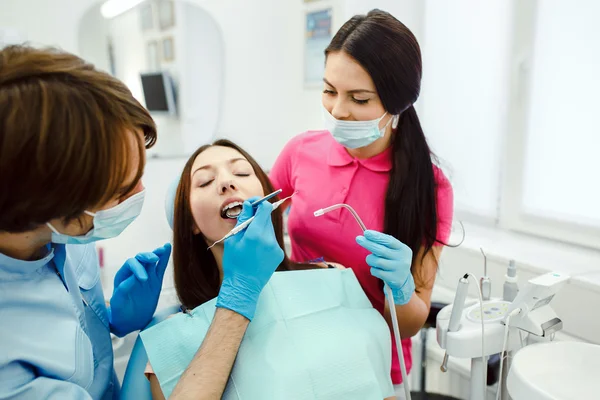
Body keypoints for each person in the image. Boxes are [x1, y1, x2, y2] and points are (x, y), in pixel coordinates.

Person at [0, 45, 283, 400]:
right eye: (121, 190)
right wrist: (239, 297)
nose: (141, 191)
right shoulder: (7, 366)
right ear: (55, 211)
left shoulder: (70, 237)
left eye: (242, 171)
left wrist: (114, 322)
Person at [269, 9, 454, 397]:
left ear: (397, 103)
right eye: (329, 90)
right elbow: (257, 238)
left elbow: (411, 322)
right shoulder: (300, 153)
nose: (337, 110)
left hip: (376, 365)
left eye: (359, 98)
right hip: (297, 344)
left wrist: (402, 288)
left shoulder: (428, 187)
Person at [144, 139, 394, 400]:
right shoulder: (176, 334)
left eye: (241, 172)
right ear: (191, 223)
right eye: (205, 181)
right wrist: (239, 291)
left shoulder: (331, 276)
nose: (227, 183)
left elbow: (377, 382)